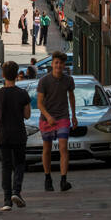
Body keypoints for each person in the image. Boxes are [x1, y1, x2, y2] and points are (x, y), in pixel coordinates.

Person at [0, 60, 32, 211]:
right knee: (20, 164)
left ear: (3, 75)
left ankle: (7, 200)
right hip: (19, 134)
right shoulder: (23, 94)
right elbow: (27, 115)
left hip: (3, 134)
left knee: (6, 166)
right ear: (16, 75)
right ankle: (17, 191)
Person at [37, 51, 78, 192]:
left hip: (62, 117)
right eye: (56, 62)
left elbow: (71, 97)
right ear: (52, 64)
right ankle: (47, 178)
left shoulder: (68, 80)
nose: (58, 65)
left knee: (63, 147)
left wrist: (73, 115)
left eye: (61, 63)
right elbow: (40, 103)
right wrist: (48, 116)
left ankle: (63, 180)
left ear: (64, 65)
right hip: (46, 118)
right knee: (47, 149)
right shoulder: (44, 81)